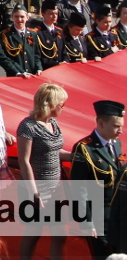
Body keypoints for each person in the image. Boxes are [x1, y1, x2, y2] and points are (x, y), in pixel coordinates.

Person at [14, 82, 68, 260]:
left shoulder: (53, 123)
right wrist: (33, 192)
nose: (64, 107)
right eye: (62, 103)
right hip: (36, 188)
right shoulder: (27, 126)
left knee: (60, 235)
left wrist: (78, 156)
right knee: (34, 232)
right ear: (50, 103)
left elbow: (54, 151)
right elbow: (24, 161)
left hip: (56, 186)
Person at [69, 99, 125, 259]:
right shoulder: (85, 148)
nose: (120, 130)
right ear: (101, 123)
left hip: (117, 218)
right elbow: (79, 189)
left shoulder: (116, 144)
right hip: (99, 219)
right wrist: (86, 221)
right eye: (116, 126)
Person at [0, 3, 42, 77]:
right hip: (15, 75)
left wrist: (39, 68)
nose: (19, 20)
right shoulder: (6, 35)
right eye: (16, 17)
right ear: (12, 17)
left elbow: (36, 55)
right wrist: (18, 72)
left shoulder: (32, 34)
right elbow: (5, 58)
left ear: (27, 17)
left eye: (22, 17)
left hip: (32, 75)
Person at [33, 0, 63, 70]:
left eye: (56, 13)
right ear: (43, 13)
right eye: (51, 14)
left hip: (61, 69)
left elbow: (63, 52)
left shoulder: (59, 31)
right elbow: (38, 56)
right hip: (47, 69)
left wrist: (65, 61)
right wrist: (56, 64)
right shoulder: (37, 32)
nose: (54, 16)